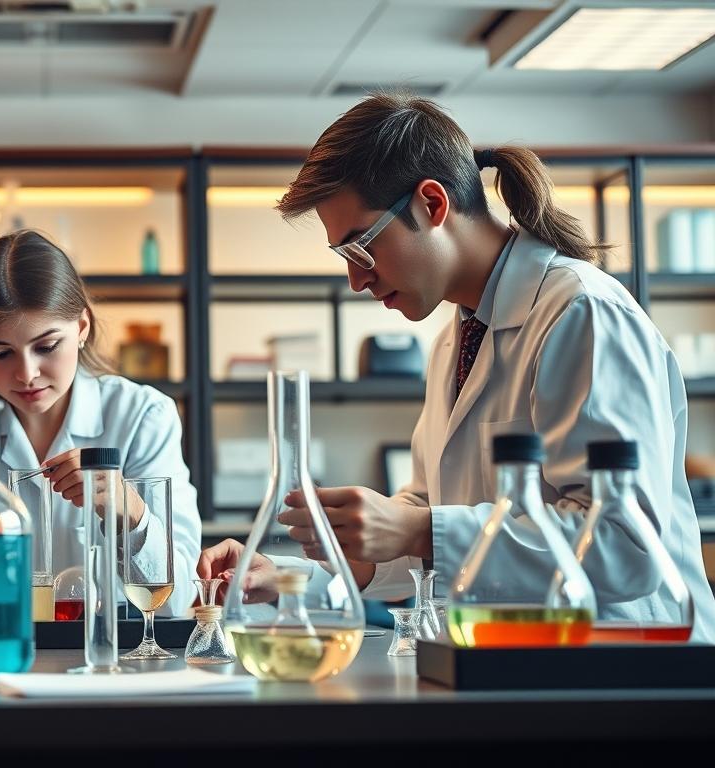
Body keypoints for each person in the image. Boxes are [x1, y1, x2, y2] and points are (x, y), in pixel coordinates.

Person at [199, 92, 715, 641]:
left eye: (361, 248)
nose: (357, 280)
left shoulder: (582, 312)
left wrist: (419, 529)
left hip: (631, 671)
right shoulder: (458, 336)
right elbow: (430, 524)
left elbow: (624, 546)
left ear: (432, 204)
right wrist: (289, 576)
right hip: (513, 659)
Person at [0, 230, 201, 612]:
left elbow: (176, 601)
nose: (26, 374)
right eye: (0, 353)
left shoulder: (141, 415)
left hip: (112, 664)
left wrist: (129, 508)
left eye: (46, 347)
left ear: (81, 328)